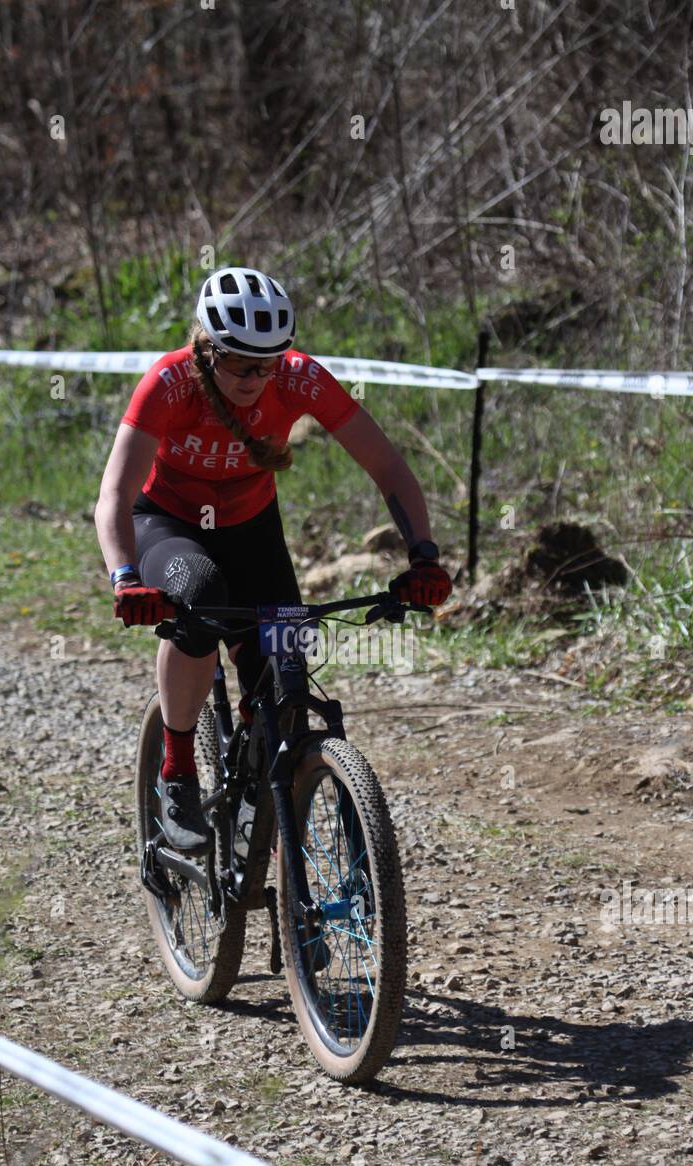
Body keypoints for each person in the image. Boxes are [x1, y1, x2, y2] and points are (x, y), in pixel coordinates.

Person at [94, 265, 452, 856]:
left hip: (251, 529)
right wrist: (125, 578)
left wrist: (424, 557)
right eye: (237, 362)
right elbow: (114, 492)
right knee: (202, 599)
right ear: (206, 350)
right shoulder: (170, 382)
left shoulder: (301, 379)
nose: (253, 379)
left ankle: (261, 793)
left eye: (266, 364)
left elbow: (388, 467)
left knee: (286, 652)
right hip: (166, 523)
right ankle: (177, 771)